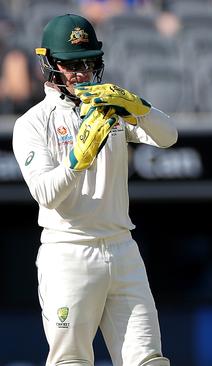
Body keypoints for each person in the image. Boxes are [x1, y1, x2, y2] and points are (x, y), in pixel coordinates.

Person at [12, 14, 176, 365]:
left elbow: (168, 136)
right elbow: (46, 193)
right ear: (49, 64)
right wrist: (77, 159)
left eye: (89, 62)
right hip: (68, 252)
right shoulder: (32, 123)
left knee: (149, 360)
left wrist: (137, 106)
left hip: (122, 248)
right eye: (71, 64)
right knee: (71, 360)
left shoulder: (110, 109)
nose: (81, 72)